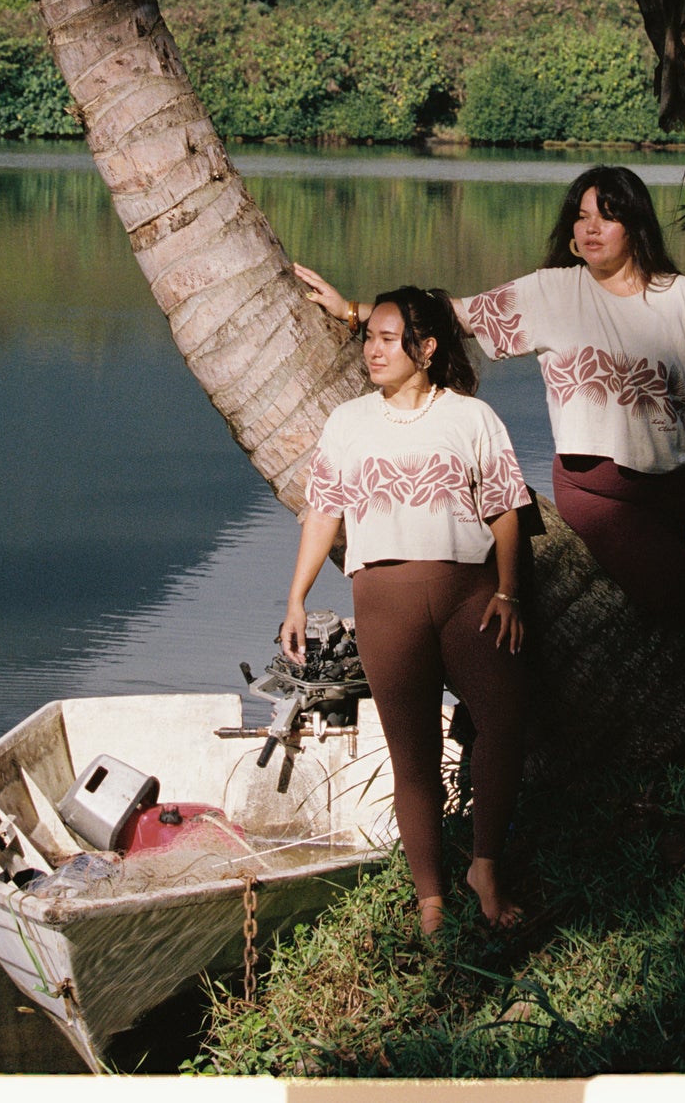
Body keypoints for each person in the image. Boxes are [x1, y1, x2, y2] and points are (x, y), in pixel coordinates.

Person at [294, 165, 685, 729]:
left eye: (606, 215)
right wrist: (352, 311)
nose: (590, 228)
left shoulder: (682, 300)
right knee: (672, 595)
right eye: (580, 217)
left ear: (636, 224)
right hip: (598, 492)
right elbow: (445, 315)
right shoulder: (551, 293)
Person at [282, 285, 532, 936]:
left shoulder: (472, 418)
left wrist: (507, 592)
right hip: (385, 604)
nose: (373, 350)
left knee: (502, 725)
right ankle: (431, 899)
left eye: (389, 338)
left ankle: (484, 867)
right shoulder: (348, 422)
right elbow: (323, 515)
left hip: (471, 596)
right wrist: (296, 597)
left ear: (426, 348)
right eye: (370, 338)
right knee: (411, 755)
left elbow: (506, 509)